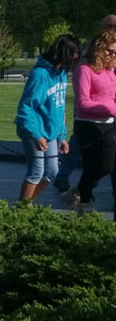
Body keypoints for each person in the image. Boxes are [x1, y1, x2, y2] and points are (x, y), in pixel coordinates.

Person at [13, 34, 79, 204]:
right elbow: (26, 107)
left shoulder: (62, 74)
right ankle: (21, 211)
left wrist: (62, 136)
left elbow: (60, 106)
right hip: (34, 129)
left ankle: (25, 204)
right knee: (36, 171)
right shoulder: (40, 74)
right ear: (64, 53)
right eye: (74, 53)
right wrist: (36, 135)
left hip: (50, 132)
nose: (76, 57)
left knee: (52, 172)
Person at [64, 29, 116, 214]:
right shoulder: (83, 69)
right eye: (109, 51)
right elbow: (83, 103)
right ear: (99, 48)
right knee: (95, 165)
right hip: (88, 124)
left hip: (109, 124)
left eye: (115, 52)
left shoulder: (110, 71)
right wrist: (110, 108)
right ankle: (84, 201)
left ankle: (80, 191)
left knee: (106, 166)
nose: (112, 55)